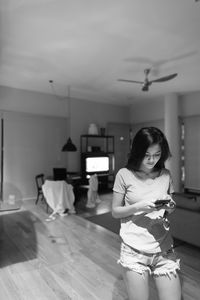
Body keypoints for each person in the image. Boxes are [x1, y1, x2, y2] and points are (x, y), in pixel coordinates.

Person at [112, 127, 181, 300]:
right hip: (134, 249)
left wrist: (170, 206)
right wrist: (139, 207)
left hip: (164, 248)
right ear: (137, 152)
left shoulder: (165, 175)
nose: (151, 160)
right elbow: (115, 211)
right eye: (146, 155)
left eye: (157, 154)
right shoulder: (124, 174)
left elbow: (169, 210)